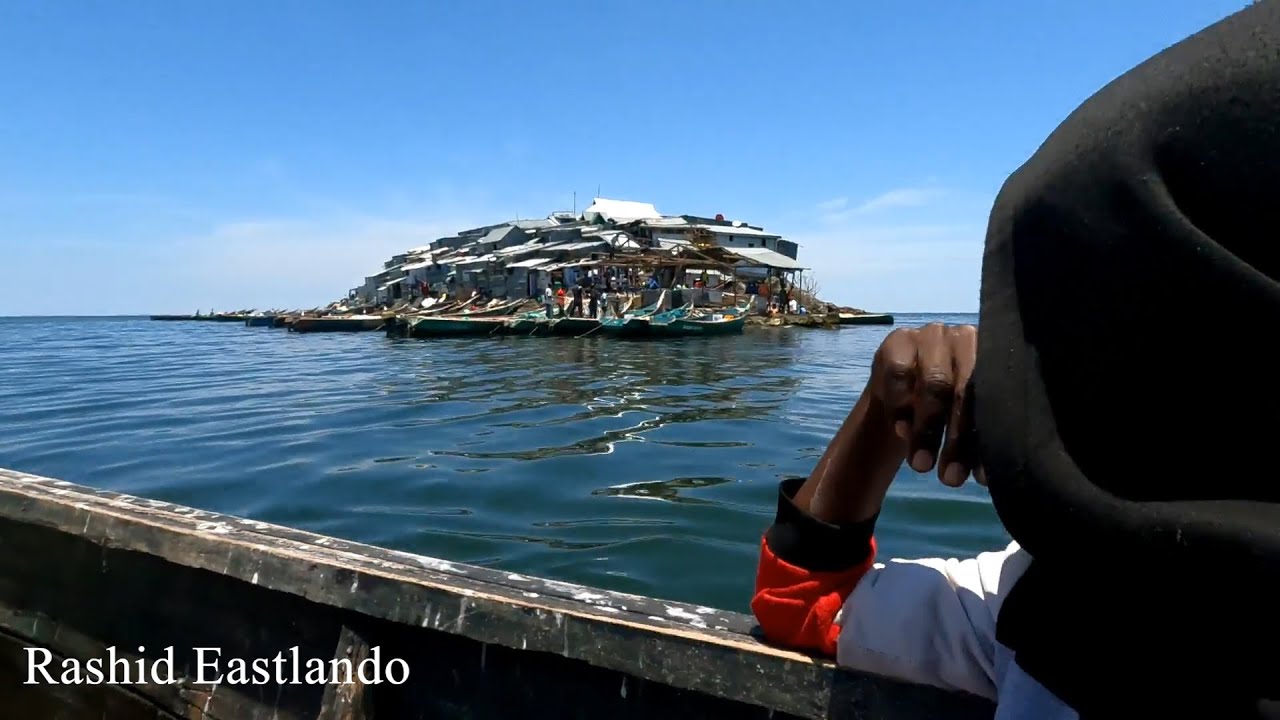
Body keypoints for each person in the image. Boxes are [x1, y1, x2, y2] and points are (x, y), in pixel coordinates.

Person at [751, 4, 1280, 719]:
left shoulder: (1065, 599)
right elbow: (804, 601)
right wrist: (886, 405)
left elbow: (805, 600)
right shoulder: (1062, 588)